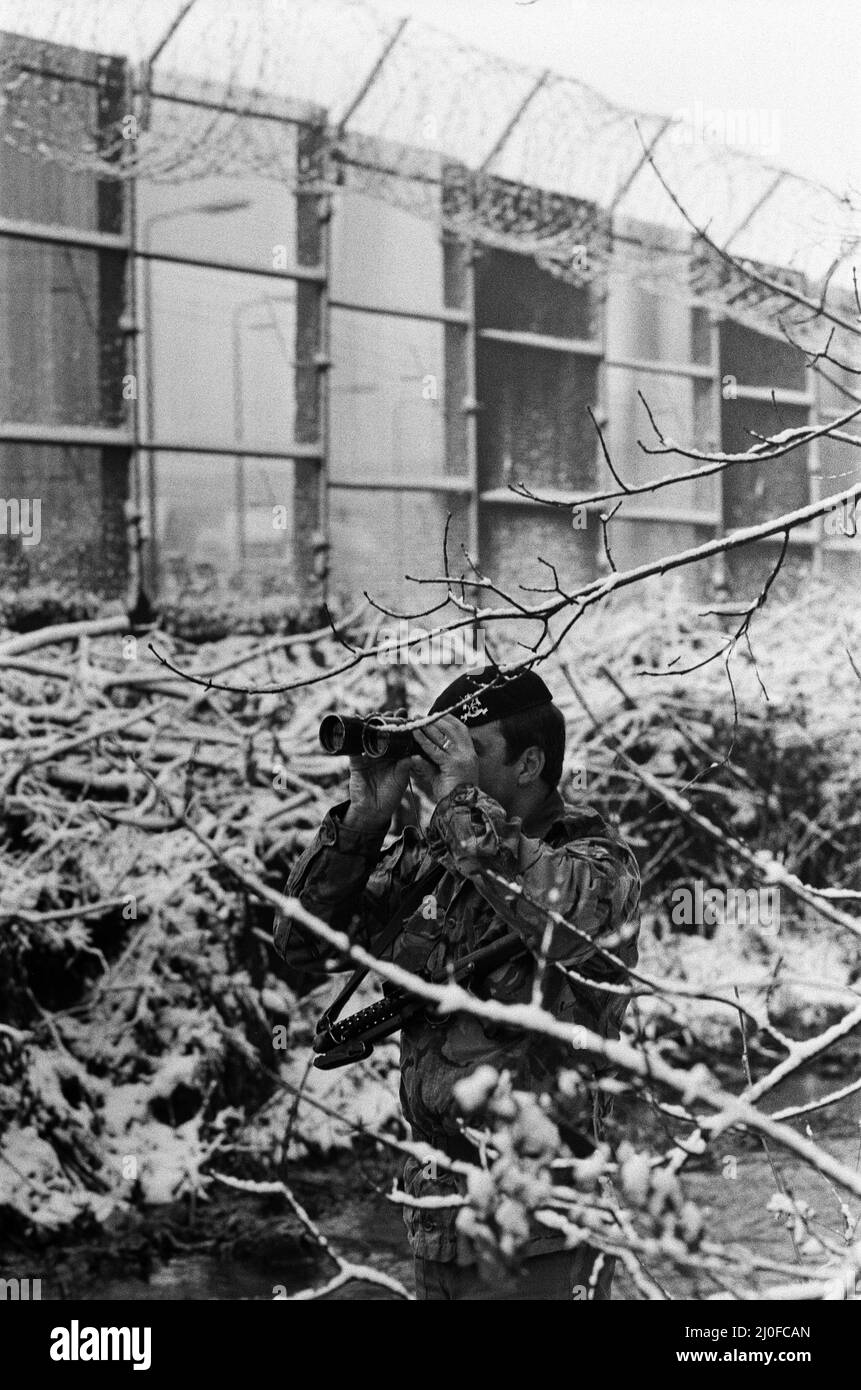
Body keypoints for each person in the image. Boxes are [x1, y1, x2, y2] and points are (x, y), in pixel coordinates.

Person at [273, 665, 640, 1300]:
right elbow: (302, 942)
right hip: (438, 1216)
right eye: (443, 744)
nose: (448, 762)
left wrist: (460, 807)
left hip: (543, 1221)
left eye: (473, 748)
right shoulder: (432, 864)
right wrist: (362, 824)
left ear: (528, 765)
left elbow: (568, 915)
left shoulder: (595, 861)